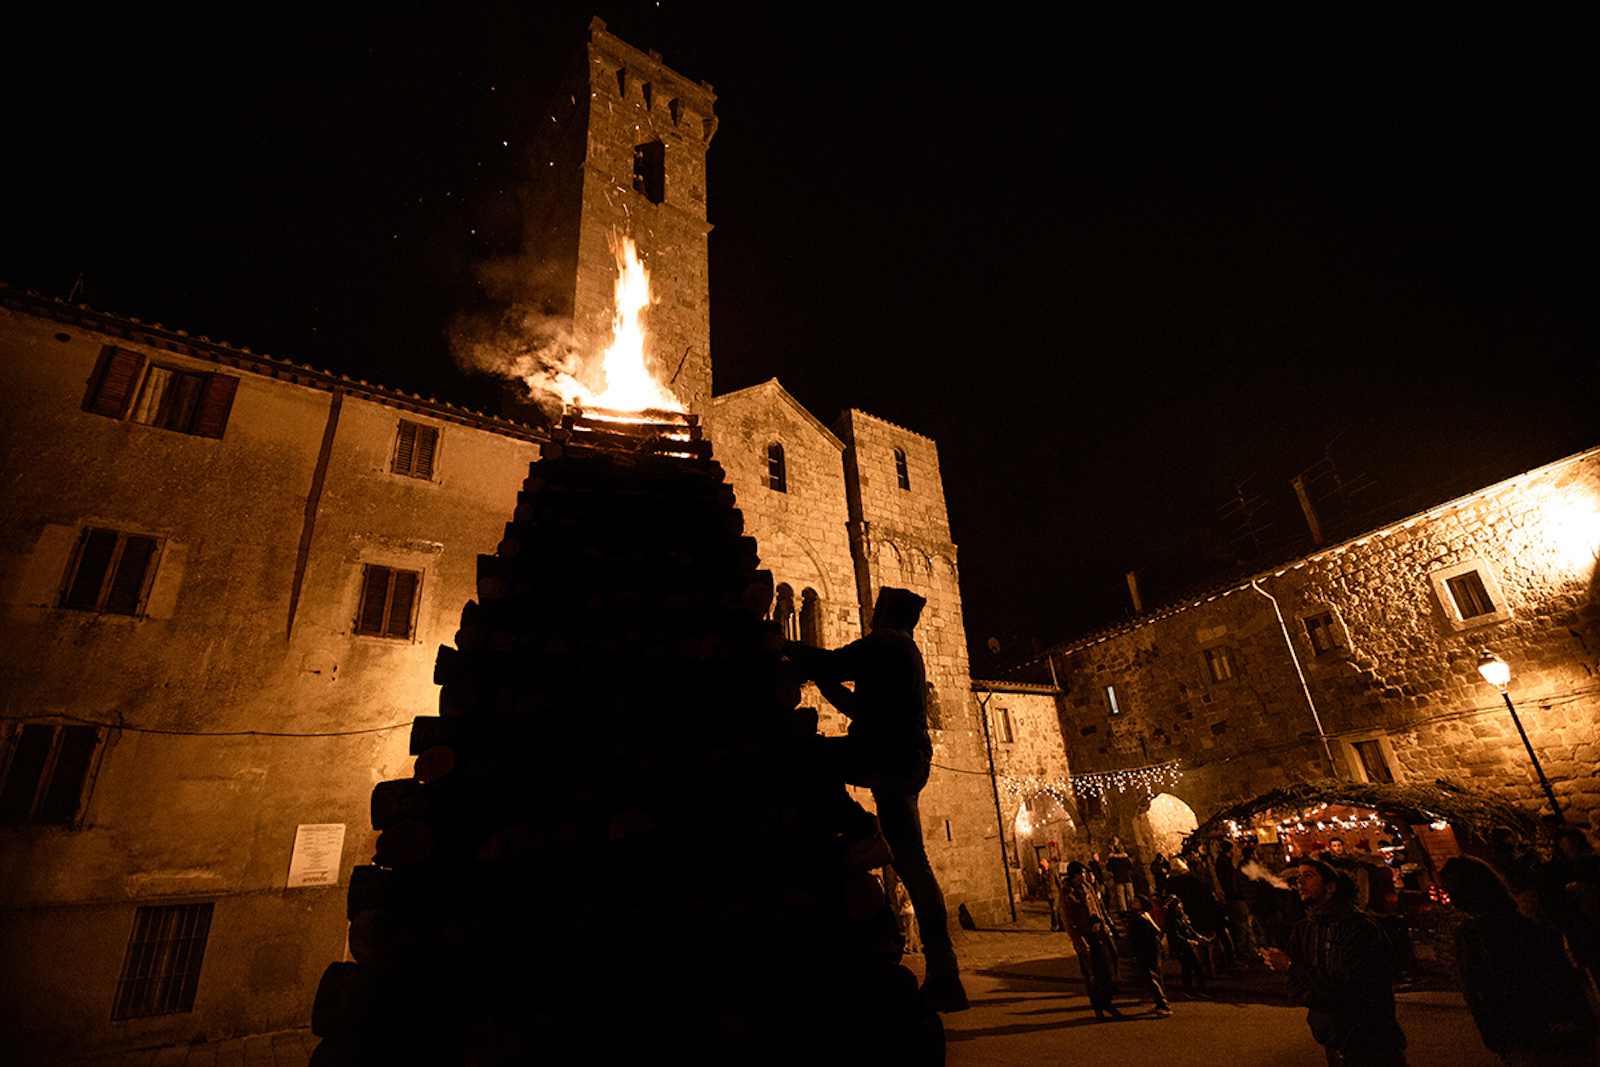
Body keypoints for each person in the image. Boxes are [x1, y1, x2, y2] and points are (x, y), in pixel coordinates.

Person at [785, 586, 968, 1012]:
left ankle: (860, 830)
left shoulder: (887, 643)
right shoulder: (904, 654)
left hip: (884, 755)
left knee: (809, 757)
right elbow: (858, 707)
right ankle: (945, 974)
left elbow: (833, 662)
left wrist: (786, 648)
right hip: (904, 762)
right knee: (913, 864)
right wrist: (824, 678)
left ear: (885, 614)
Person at [1440, 855, 1596, 1065]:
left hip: (1527, 1040)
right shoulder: (1534, 926)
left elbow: (1479, 993)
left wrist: (1499, 1040)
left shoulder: (1472, 935)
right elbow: (1567, 979)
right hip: (1568, 1032)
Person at [1263, 858, 1407, 1067]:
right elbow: (1294, 988)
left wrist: (1292, 967)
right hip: (1332, 1037)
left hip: (1372, 1037)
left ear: (1331, 887)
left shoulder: (1360, 928)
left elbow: (1351, 987)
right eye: (1298, 876)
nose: (1299, 881)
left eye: (1308, 875)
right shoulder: (1303, 930)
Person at [1060, 861, 1122, 1020]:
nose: (1085, 876)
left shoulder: (1088, 887)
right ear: (1075, 875)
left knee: (1108, 969)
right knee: (1092, 975)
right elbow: (1068, 922)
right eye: (1082, 873)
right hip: (1086, 937)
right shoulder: (1067, 893)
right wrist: (1080, 943)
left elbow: (1099, 907)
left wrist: (1106, 925)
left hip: (1099, 933)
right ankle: (1098, 1009)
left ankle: (1107, 1002)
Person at [1129, 894, 1173, 1016]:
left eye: (1136, 901)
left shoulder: (1142, 918)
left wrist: (1139, 952)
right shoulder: (1143, 916)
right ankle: (1160, 1003)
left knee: (1153, 977)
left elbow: (1144, 937)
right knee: (1155, 976)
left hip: (1147, 952)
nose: (1133, 902)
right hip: (1150, 951)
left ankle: (1163, 1004)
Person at [1107, 838, 1136, 915]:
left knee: (1121, 896)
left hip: (1118, 879)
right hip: (1127, 877)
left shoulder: (1113, 859)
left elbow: (1108, 868)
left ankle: (1124, 910)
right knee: (1130, 895)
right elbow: (1130, 867)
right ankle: (1132, 908)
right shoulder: (1125, 858)